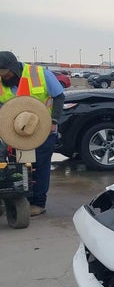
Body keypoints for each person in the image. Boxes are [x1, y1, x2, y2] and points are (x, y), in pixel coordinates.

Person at [0, 51, 65, 216]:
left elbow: (59, 96)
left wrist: (54, 121)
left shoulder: (40, 74)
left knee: (40, 166)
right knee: (21, 167)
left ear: (13, 68)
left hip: (42, 130)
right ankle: (23, 200)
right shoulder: (1, 81)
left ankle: (38, 203)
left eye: (6, 73)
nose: (4, 77)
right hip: (16, 133)